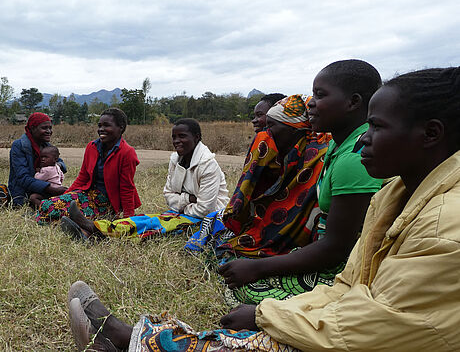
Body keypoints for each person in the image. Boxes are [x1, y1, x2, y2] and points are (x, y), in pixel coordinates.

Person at [68, 66, 460, 351]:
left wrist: (266, 311)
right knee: (196, 234)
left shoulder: (443, 223)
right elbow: (351, 286)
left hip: (343, 294)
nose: (365, 142)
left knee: (250, 300)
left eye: (270, 126)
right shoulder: (394, 192)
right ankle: (103, 238)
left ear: (430, 135)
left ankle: (134, 340)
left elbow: (371, 314)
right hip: (336, 287)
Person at [208, 61, 383, 306]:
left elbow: (336, 248)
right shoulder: (337, 144)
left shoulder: (356, 158)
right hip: (325, 251)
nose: (310, 102)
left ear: (353, 102)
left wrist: (258, 268)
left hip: (351, 267)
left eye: (320, 95)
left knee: (246, 291)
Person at [184, 95, 332, 304]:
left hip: (309, 253)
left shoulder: (317, 158)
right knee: (215, 226)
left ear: (295, 129)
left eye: (271, 125)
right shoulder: (284, 152)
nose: (266, 133)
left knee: (236, 277)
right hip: (278, 242)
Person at [62, 118, 229, 240]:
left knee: (154, 226)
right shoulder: (175, 160)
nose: (177, 141)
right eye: (174, 137)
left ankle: (94, 227)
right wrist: (188, 199)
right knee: (143, 218)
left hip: (208, 220)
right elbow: (169, 195)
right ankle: (89, 234)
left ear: (197, 137)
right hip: (182, 211)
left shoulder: (208, 165)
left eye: (182, 136)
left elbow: (205, 209)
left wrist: (181, 205)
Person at [36, 108, 140, 223]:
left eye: (106, 126)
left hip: (108, 202)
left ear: (120, 127)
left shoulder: (127, 152)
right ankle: (68, 220)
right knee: (47, 204)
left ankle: (74, 222)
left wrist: (128, 217)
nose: (101, 129)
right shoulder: (92, 147)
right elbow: (83, 177)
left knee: (56, 210)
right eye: (99, 126)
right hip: (88, 194)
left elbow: (127, 187)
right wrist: (65, 196)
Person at [8, 112, 67, 207]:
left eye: (50, 128)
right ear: (32, 128)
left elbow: (61, 163)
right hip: (23, 195)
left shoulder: (46, 146)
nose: (49, 131)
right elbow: (23, 178)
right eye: (44, 128)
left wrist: (54, 167)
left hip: (43, 191)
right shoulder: (19, 146)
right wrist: (51, 189)